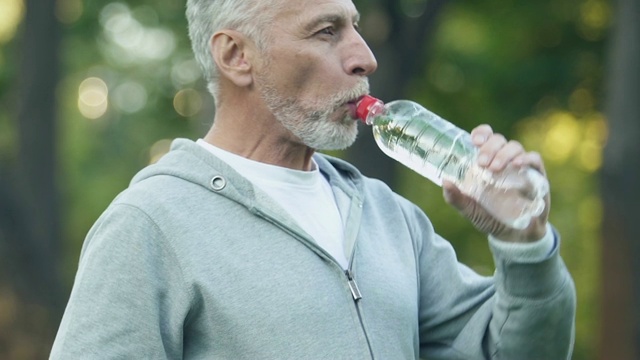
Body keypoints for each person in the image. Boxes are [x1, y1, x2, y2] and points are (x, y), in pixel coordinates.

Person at [50, 0, 576, 358]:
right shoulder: (150, 225)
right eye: (327, 32)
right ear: (236, 55)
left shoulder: (389, 217)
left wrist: (524, 248)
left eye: (355, 25)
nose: (364, 57)